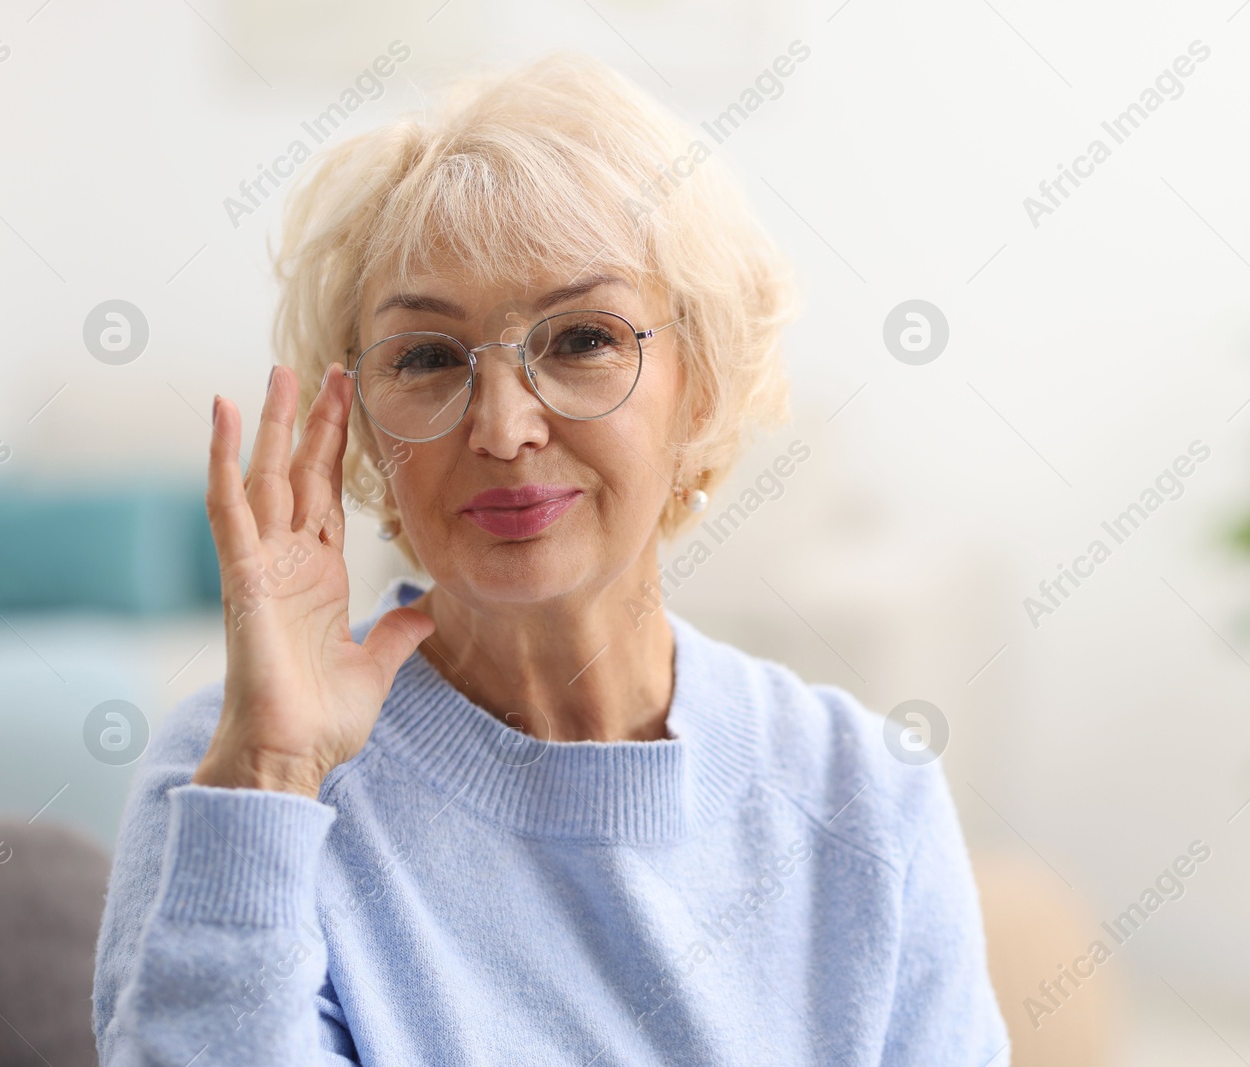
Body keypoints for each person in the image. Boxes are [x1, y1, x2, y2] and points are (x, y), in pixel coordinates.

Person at [92, 50, 1011, 1065]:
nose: (502, 424)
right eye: (430, 358)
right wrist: (268, 772)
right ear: (361, 427)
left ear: (698, 384)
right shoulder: (234, 779)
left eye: (580, 339)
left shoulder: (866, 797)